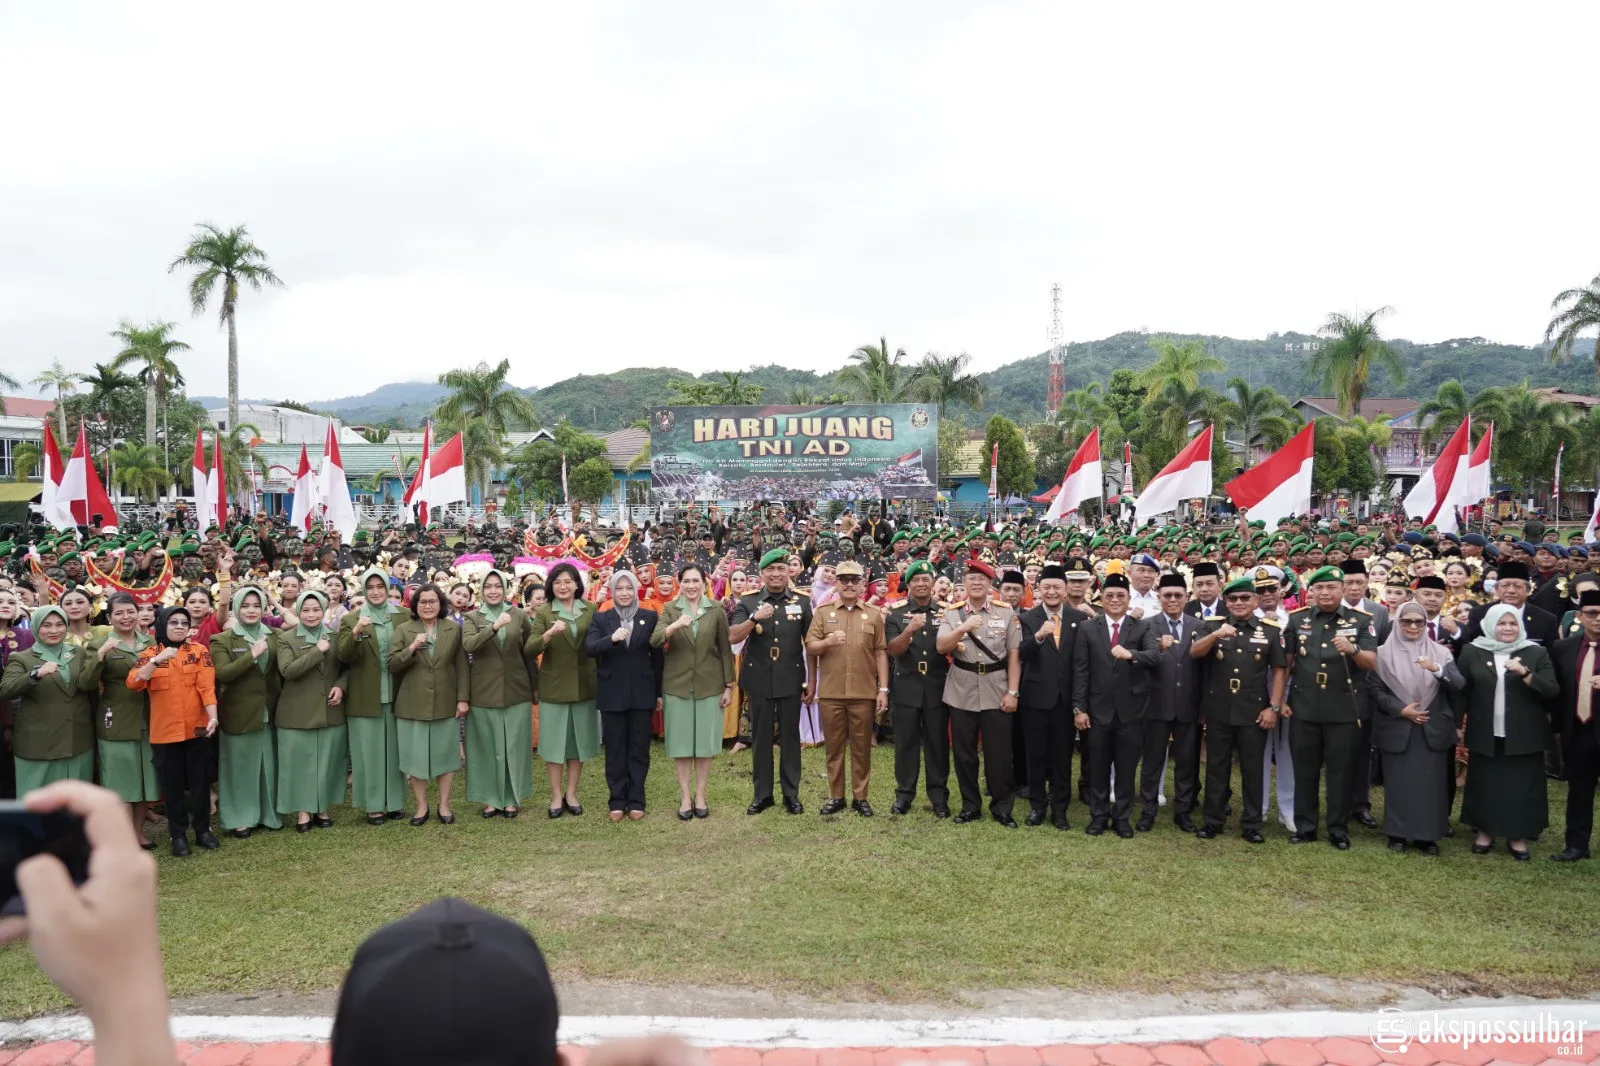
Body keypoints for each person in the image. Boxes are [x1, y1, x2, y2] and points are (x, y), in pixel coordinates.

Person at [1285, 565, 1378, 850]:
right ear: (1311, 592)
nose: (1325, 593)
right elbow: (1287, 664)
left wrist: (1353, 650)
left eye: (1331, 588)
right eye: (1319, 588)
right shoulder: (1297, 619)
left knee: (1340, 771)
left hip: (1344, 708)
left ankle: (1337, 828)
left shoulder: (1362, 621)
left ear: (1343, 590)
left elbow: (1370, 663)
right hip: (1305, 707)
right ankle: (1306, 826)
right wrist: (1280, 702)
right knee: (1305, 769)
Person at [1458, 603, 1559, 860]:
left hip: (1525, 734)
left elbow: (1551, 689)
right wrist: (1457, 724)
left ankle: (1517, 836)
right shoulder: (1472, 651)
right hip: (1485, 730)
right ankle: (1485, 832)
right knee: (1485, 783)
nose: (1507, 628)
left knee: (1521, 786)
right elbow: (1462, 690)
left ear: (1520, 625)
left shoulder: (1536, 652)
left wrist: (1525, 673)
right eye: (1501, 623)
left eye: (1513, 623)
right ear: (1491, 625)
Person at [1190, 577, 1286, 841]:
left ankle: (1252, 824)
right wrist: (1215, 635)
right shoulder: (1212, 626)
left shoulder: (1270, 630)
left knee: (1253, 769)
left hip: (1254, 711)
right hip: (1219, 708)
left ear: (1256, 601)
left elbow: (1279, 671)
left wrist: (1274, 708)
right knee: (1216, 767)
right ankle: (1213, 820)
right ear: (1226, 602)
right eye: (1233, 599)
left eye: (1245, 598)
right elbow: (1194, 652)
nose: (1239, 603)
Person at [1367, 600, 1463, 854]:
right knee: (1399, 784)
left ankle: (1427, 836)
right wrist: (1401, 710)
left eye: (1419, 622)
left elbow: (1458, 685)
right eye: (1406, 621)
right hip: (1399, 726)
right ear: (1397, 623)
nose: (1413, 626)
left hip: (1431, 727)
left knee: (1431, 786)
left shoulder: (1440, 653)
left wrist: (1437, 670)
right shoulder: (1382, 654)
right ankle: (1397, 833)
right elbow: (1375, 690)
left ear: (1425, 624)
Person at [1072, 572, 1162, 837]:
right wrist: (1079, 708)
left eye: (1120, 596)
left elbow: (1155, 656)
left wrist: (1130, 654)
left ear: (1127, 599)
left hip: (1131, 711)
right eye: (1109, 595)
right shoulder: (1089, 628)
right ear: (1101, 598)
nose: (1114, 600)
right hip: (1097, 711)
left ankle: (1121, 818)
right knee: (1098, 767)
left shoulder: (1141, 626)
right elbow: (1080, 671)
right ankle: (1098, 816)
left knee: (1125, 768)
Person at [125, 607, 219, 858]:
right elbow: (134, 682)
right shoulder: (149, 654)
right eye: (174, 622)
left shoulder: (199, 652)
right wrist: (157, 660)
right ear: (163, 625)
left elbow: (207, 688)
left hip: (198, 728)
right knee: (173, 786)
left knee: (200, 782)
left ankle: (203, 830)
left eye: (184, 623)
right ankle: (178, 834)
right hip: (165, 733)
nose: (179, 626)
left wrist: (213, 716)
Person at [937, 560, 1022, 827]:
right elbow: (941, 647)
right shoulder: (952, 613)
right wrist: (962, 628)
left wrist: (1013, 692)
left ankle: (1002, 807)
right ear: (964, 583)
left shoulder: (1006, 612)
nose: (976, 583)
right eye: (971, 578)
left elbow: (1014, 656)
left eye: (981, 579)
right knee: (964, 754)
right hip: (961, 690)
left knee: (998, 754)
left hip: (997, 688)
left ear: (990, 584)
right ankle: (970, 805)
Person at [729, 549, 811, 815]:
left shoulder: (803, 602)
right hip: (760, 678)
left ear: (789, 571)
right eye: (770, 570)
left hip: (791, 677)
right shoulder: (749, 602)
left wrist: (813, 680)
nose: (776, 574)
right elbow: (732, 637)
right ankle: (762, 795)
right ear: (762, 574)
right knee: (761, 738)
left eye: (781, 568)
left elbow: (811, 644)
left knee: (790, 737)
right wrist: (754, 619)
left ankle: (791, 795)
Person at [804, 558, 887, 817]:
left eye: (854, 580)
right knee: (834, 747)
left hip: (863, 693)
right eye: (844, 580)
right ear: (836, 583)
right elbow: (810, 647)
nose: (849, 584)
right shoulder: (823, 612)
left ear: (863, 584)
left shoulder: (873, 615)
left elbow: (881, 653)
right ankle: (836, 796)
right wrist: (828, 641)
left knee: (861, 748)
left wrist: (883, 689)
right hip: (831, 693)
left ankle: (860, 797)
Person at [654, 564, 735, 819]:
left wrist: (729, 686)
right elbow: (655, 640)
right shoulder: (670, 609)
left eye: (695, 581)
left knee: (703, 744)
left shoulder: (716, 609)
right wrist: (674, 626)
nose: (691, 585)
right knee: (681, 744)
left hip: (709, 684)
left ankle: (700, 794)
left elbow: (724, 649)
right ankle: (685, 796)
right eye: (686, 581)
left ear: (704, 583)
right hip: (677, 685)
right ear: (680, 584)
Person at [80, 594, 159, 849]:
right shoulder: (100, 643)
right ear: (110, 617)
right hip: (115, 719)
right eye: (119, 613)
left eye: (130, 611)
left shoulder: (149, 640)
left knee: (143, 781)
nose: (126, 617)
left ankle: (137, 834)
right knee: (120, 783)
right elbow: (86, 684)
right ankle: (122, 838)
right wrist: (100, 656)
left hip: (148, 718)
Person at [584, 569, 663, 821]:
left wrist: (659, 693)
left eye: (629, 588)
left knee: (639, 748)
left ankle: (637, 799)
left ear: (636, 589)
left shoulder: (649, 617)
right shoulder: (601, 618)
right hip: (612, 693)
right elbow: (590, 648)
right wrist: (612, 639)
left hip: (642, 692)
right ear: (613, 591)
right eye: (620, 588)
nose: (625, 593)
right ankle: (617, 800)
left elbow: (658, 658)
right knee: (616, 748)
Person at [389, 584, 470, 825]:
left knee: (446, 756)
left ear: (441, 604)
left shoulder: (453, 629)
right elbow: (392, 664)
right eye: (422, 601)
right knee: (416, 758)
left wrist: (463, 698)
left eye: (432, 601)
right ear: (415, 605)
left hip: (445, 702)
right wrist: (412, 648)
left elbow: (462, 667)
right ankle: (421, 806)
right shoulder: (404, 629)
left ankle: (444, 805)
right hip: (412, 703)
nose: (427, 606)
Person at [1015, 563, 1088, 829]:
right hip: (1034, 699)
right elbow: (1020, 653)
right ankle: (1037, 806)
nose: (1052, 592)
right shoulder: (1026, 618)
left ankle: (1060, 809)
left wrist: (1080, 702)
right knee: (1035, 755)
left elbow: (1081, 662)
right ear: (1038, 590)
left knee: (1062, 757)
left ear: (1066, 589)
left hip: (1065, 700)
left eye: (1057, 587)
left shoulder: (1079, 619)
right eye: (1047, 587)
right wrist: (1037, 637)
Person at [337, 569, 412, 826]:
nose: (376, 591)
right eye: (370, 587)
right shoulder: (351, 619)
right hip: (363, 696)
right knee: (367, 752)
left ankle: (396, 802)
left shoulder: (403, 615)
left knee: (394, 751)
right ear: (363, 590)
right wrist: (356, 632)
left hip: (397, 693)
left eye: (381, 586)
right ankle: (373, 805)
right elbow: (342, 657)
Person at [462, 570, 538, 819]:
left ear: (506, 589)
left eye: (498, 586)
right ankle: (491, 798)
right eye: (488, 587)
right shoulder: (472, 617)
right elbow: (469, 645)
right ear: (481, 590)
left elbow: (528, 652)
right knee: (487, 747)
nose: (493, 591)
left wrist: (535, 687)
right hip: (484, 692)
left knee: (514, 747)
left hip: (517, 689)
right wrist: (493, 627)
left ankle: (511, 798)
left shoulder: (518, 615)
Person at [209, 585, 282, 838]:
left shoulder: (273, 635)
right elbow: (223, 673)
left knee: (267, 765)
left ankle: (267, 815)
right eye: (245, 605)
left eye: (256, 605)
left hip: (268, 711)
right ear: (236, 608)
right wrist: (251, 654)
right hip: (238, 712)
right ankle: (240, 818)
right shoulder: (222, 639)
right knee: (239, 768)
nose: (251, 610)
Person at [275, 589, 349, 832]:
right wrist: (318, 650)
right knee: (299, 765)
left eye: (316, 609)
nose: (311, 614)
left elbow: (347, 669)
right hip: (297, 712)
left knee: (327, 762)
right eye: (305, 610)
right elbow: (288, 670)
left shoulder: (335, 636)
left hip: (330, 710)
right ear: (297, 611)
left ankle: (322, 808)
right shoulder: (287, 638)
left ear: (324, 610)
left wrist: (341, 686)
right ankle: (303, 811)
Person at [527, 562, 598, 817]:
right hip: (554, 686)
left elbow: (597, 643)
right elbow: (530, 648)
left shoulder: (590, 608)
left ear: (577, 584)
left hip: (584, 685)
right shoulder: (545, 611)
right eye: (557, 582)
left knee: (578, 743)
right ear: (551, 586)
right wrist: (548, 634)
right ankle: (556, 795)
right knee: (554, 744)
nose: (563, 586)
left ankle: (571, 793)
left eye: (568, 581)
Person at [0, 606, 95, 792]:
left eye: (60, 624)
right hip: (39, 743)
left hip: (77, 739)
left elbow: (88, 685)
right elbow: (5, 689)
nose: (54, 630)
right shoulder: (21, 658)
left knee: (77, 801)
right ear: (35, 627)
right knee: (38, 802)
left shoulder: (79, 653)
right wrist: (35, 674)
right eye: (47, 625)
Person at [884, 560, 952, 817]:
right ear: (908, 585)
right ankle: (904, 795)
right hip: (907, 685)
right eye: (916, 580)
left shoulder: (947, 611)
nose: (921, 584)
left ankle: (938, 797)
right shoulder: (896, 612)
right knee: (905, 744)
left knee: (937, 744)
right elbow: (894, 650)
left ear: (933, 583)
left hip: (937, 685)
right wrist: (909, 630)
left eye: (925, 579)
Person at [1142, 571, 1203, 833]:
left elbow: (1204, 670)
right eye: (1167, 595)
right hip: (1156, 705)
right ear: (1159, 597)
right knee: (1152, 761)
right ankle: (1147, 811)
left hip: (1189, 705)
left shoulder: (1199, 626)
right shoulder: (1147, 625)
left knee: (1187, 762)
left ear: (1187, 597)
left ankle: (1183, 811)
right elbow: (1141, 662)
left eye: (1178, 595)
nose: (1173, 599)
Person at [1549, 587, 1600, 862]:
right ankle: (1577, 845)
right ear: (1580, 616)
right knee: (1579, 790)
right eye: (1592, 613)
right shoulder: (1563, 648)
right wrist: (1556, 729)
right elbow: (1557, 693)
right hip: (1578, 730)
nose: (1598, 619)